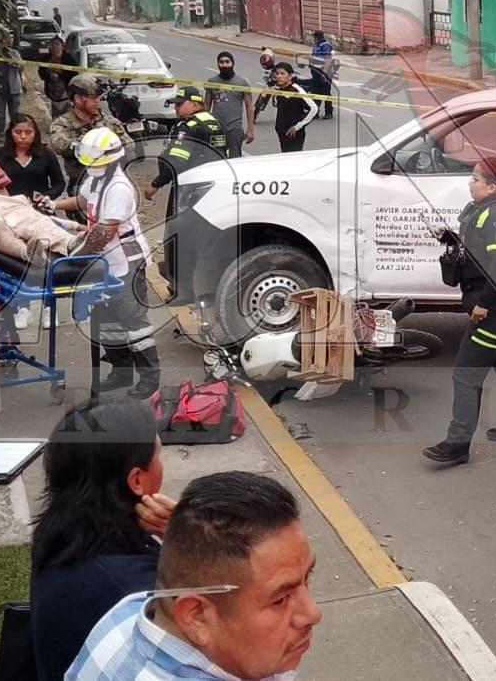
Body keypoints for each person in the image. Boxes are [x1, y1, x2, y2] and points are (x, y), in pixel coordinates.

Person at [67, 471, 322, 681]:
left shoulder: (125, 614)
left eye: (307, 577)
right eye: (280, 600)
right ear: (196, 615)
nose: (312, 613)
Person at [30, 401, 176, 681]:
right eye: (159, 455)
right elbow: (225, 624)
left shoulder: (62, 532)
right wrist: (183, 539)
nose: (162, 464)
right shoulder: (134, 590)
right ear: (136, 480)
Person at [424, 157, 496, 465]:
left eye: (475, 179)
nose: (470, 184)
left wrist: (484, 303)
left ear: (492, 187)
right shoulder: (489, 210)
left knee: (465, 374)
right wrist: (451, 238)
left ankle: (457, 444)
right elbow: (481, 251)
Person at [49, 127, 160, 399]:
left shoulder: (119, 187)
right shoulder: (96, 179)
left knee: (133, 319)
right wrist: (53, 206)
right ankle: (121, 371)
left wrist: (74, 258)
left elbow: (104, 232)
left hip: (126, 261)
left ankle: (150, 377)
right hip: (105, 261)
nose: (89, 167)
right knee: (108, 319)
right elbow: (82, 200)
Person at [50, 75, 133, 192]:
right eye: (93, 98)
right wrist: (86, 143)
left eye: (98, 98)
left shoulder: (108, 121)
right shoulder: (63, 124)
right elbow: (58, 145)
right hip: (80, 183)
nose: (97, 101)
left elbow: (130, 145)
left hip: (111, 181)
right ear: (78, 99)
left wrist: (111, 144)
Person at [146, 86, 228, 202]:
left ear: (195, 104)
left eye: (179, 104)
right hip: (217, 182)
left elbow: (177, 161)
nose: (175, 108)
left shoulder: (188, 126)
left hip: (189, 186)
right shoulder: (215, 120)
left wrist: (156, 184)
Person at [0, 114, 67, 201]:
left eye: (28, 132)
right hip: (10, 205)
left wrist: (47, 196)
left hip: (40, 205)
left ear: (35, 133)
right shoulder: (0, 156)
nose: (23, 137)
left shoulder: (46, 154)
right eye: (18, 132)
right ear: (10, 133)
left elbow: (59, 183)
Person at [206, 52, 256, 157]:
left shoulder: (242, 82)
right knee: (217, 157)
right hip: (216, 128)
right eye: (221, 62)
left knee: (235, 158)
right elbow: (206, 106)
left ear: (233, 63)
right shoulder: (212, 82)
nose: (224, 65)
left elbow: (249, 107)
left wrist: (250, 129)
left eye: (227, 62)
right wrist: (205, 126)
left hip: (235, 129)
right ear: (217, 64)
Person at [266, 63, 317, 154]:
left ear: (290, 76)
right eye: (277, 74)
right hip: (282, 132)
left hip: (294, 135)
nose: (279, 76)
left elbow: (314, 109)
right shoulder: (280, 89)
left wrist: (298, 126)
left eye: (282, 74)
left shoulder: (296, 90)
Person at [0, 31, 25, 137]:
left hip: (14, 89)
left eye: (5, 38)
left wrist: (14, 62)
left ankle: (15, 135)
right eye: (1, 39)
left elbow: (22, 67)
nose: (3, 41)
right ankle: (0, 136)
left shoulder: (14, 53)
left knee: (15, 115)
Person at [40, 37, 77, 118]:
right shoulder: (45, 59)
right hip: (52, 91)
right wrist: (49, 75)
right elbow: (41, 74)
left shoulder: (68, 58)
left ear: (62, 46)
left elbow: (75, 74)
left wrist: (60, 74)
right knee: (55, 113)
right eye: (52, 44)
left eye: (57, 44)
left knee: (67, 114)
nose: (54, 46)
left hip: (66, 91)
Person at [307, 32, 336, 120]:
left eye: (314, 37)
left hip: (325, 73)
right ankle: (315, 112)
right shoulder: (316, 45)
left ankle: (329, 112)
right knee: (315, 92)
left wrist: (325, 73)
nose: (314, 39)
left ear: (316, 37)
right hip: (316, 72)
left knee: (326, 92)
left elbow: (328, 59)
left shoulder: (325, 46)